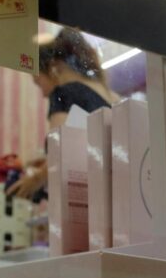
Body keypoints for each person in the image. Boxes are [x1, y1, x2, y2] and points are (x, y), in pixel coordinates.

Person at [7, 27, 118, 199]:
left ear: (52, 68)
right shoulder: (111, 96)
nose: (43, 94)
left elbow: (60, 151)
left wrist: (35, 180)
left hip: (86, 200)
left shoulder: (65, 93)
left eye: (38, 82)